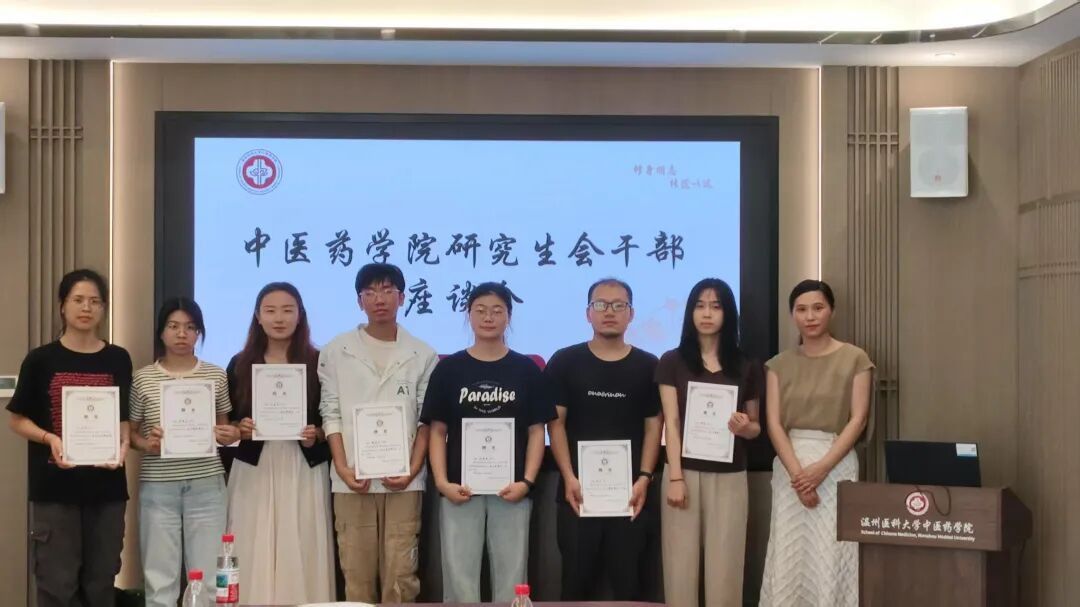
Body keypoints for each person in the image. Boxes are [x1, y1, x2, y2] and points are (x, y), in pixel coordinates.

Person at [420, 282, 556, 602]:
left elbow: (537, 431)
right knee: (458, 576)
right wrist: (442, 482)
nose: (488, 317)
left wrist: (526, 481)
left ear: (509, 316)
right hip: (459, 488)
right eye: (480, 310)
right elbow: (437, 431)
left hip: (511, 488)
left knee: (513, 576)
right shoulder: (449, 369)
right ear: (468, 315)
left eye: (497, 311)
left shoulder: (526, 369)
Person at [6, 269, 132, 607]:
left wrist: (122, 444)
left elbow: (122, 419)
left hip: (107, 490)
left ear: (103, 308)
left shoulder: (118, 358)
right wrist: (49, 438)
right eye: (78, 300)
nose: (86, 308)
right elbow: (17, 420)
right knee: (57, 585)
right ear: (62, 305)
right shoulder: (40, 360)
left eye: (95, 301)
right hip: (55, 491)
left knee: (101, 583)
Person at [319, 263, 438, 603]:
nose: (379, 299)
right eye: (369, 293)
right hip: (351, 479)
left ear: (402, 297)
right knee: (355, 573)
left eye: (387, 291)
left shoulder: (423, 354)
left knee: (401, 576)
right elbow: (330, 412)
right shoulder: (336, 351)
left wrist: (412, 468)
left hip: (404, 481)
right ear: (359, 301)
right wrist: (342, 467)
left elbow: (425, 420)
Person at [758, 280, 874, 607]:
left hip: (835, 463)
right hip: (790, 464)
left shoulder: (855, 358)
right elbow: (773, 423)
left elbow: (858, 419)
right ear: (792, 315)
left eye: (818, 308)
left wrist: (821, 469)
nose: (810, 316)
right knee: (789, 552)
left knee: (832, 553)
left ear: (831, 311)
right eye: (802, 309)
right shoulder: (778, 364)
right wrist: (799, 475)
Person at [545, 278, 662, 601]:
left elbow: (654, 427)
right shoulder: (564, 361)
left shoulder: (648, 365)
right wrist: (568, 476)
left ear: (631, 313)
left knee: (631, 588)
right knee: (575, 586)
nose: (609, 312)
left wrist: (644, 477)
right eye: (600, 304)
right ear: (588, 313)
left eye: (618, 305)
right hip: (577, 494)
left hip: (632, 496)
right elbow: (556, 425)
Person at [225, 282, 335, 605]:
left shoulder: (319, 362)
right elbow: (226, 423)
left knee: (301, 541)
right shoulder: (239, 363)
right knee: (252, 540)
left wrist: (318, 434)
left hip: (303, 466)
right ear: (257, 317)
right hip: (254, 467)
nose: (279, 318)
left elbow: (332, 420)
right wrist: (240, 428)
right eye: (270, 310)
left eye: (288, 310)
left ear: (300, 315)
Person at [657, 278, 762, 607]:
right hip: (683, 474)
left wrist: (744, 427)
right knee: (679, 566)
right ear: (690, 312)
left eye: (716, 306)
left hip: (730, 476)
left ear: (728, 313)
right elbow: (671, 423)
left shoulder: (746, 365)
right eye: (700, 306)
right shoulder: (672, 361)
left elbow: (756, 427)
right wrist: (676, 477)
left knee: (726, 566)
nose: (707, 313)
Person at [129, 297, 240, 607]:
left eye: (190, 327)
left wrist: (230, 435)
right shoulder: (142, 378)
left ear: (199, 332)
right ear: (161, 332)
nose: (182, 334)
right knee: (159, 579)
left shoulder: (215, 375)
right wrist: (147, 444)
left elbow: (225, 428)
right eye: (173, 326)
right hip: (158, 487)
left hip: (207, 485)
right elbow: (131, 434)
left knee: (207, 580)